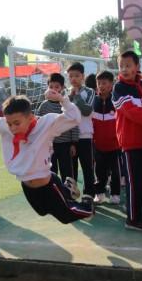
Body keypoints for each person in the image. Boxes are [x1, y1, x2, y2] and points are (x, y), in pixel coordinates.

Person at [0, 92, 93, 223]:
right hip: (27, 185)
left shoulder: (46, 124)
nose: (13, 128)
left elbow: (74, 118)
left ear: (30, 117)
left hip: (47, 184)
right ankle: (67, 189)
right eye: (10, 123)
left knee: (66, 216)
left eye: (17, 123)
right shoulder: (6, 127)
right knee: (42, 211)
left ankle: (88, 205)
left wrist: (63, 100)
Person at [112, 50, 142, 231]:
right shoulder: (119, 88)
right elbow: (132, 113)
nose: (124, 69)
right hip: (131, 143)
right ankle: (132, 219)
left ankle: (134, 208)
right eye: (121, 66)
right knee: (134, 182)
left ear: (137, 67)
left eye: (128, 65)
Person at [35, 73, 79, 194]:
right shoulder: (44, 105)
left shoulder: (66, 103)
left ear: (62, 88)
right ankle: (54, 194)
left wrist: (73, 143)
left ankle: (70, 194)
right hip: (50, 145)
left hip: (65, 144)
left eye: (57, 87)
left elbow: (74, 123)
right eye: (51, 86)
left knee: (67, 172)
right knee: (51, 171)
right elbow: (38, 123)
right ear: (47, 87)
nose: (54, 89)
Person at [66, 62, 95, 204]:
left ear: (83, 76)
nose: (73, 79)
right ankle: (72, 194)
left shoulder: (89, 92)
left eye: (77, 76)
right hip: (70, 137)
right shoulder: (66, 94)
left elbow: (87, 110)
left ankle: (88, 195)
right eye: (71, 76)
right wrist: (70, 97)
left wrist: (76, 96)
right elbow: (65, 114)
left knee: (87, 167)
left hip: (85, 135)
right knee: (71, 168)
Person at [91, 70, 121, 205]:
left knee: (115, 172)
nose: (101, 86)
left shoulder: (116, 101)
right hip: (98, 145)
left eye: (104, 83)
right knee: (100, 171)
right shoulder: (94, 101)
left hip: (115, 145)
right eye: (99, 83)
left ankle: (115, 194)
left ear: (111, 84)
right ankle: (100, 194)